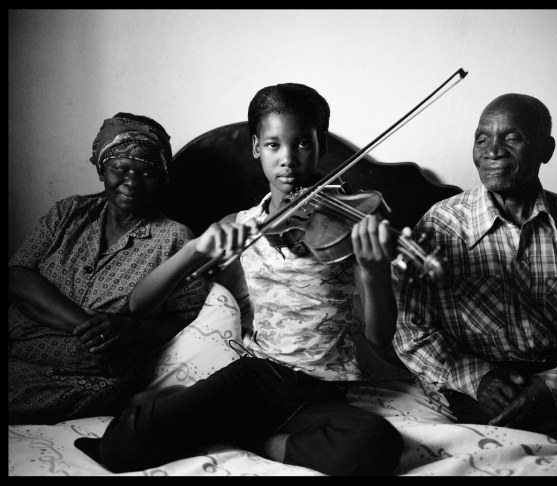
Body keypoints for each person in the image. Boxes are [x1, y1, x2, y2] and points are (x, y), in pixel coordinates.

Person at [76, 83, 406, 476]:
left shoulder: (349, 223)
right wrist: (195, 249)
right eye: (273, 145)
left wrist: (373, 271)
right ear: (255, 147)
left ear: (321, 146)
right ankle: (210, 413)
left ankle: (263, 441)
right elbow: (139, 304)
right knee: (122, 445)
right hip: (256, 377)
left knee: (377, 443)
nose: (288, 159)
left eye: (303, 143)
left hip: (322, 392)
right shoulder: (241, 225)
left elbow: (379, 339)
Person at [392, 93, 557, 453]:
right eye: (481, 139)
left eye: (512, 137)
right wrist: (478, 379)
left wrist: (552, 387)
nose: (493, 151)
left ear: (546, 149)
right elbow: (411, 330)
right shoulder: (440, 224)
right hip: (479, 380)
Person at [8, 113, 210, 425]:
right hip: (17, 350)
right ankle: (127, 404)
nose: (132, 182)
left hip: (88, 374)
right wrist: (89, 326)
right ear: (102, 168)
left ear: (162, 178)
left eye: (148, 173)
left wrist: (129, 329)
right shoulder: (68, 212)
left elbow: (184, 318)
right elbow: (17, 276)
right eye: (121, 169)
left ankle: (123, 401)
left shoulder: (174, 238)